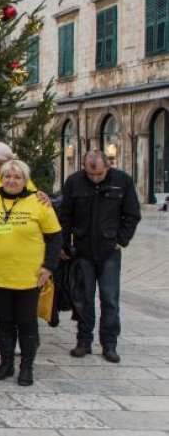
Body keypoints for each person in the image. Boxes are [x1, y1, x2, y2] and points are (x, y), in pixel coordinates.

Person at [0, 160, 62, 386]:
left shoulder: (39, 202)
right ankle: (6, 364)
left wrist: (49, 266)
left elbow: (55, 237)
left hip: (29, 276)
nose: (12, 181)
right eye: (8, 176)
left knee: (27, 323)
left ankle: (26, 367)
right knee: (4, 322)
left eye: (17, 177)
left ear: (25, 180)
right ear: (1, 178)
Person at [59, 150, 141, 363]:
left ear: (108, 167)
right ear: (84, 168)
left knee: (110, 299)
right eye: (90, 174)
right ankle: (84, 341)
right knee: (83, 298)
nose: (95, 178)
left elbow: (132, 214)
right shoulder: (74, 181)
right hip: (82, 249)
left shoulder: (122, 181)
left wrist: (120, 240)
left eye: (99, 174)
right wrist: (64, 244)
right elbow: (65, 215)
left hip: (109, 251)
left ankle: (110, 344)